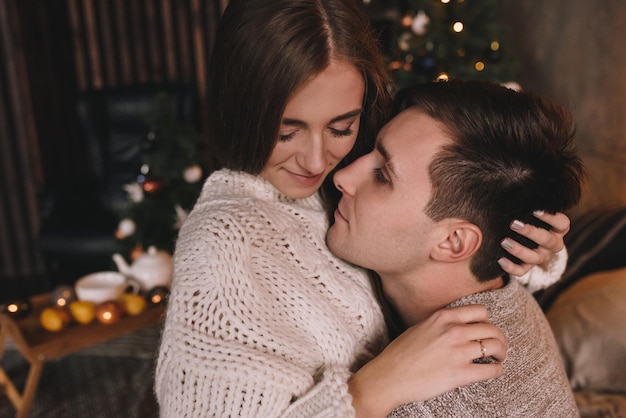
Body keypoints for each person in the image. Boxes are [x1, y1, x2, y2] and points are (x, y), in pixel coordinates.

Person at [154, 1, 570, 416]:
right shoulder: (225, 245)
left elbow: (446, 230)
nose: (320, 164)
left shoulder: (363, 156)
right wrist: (371, 390)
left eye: (341, 127)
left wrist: (521, 240)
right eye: (286, 132)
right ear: (243, 109)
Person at [327, 79, 584, 417]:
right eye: (370, 151)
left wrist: (364, 394)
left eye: (383, 176)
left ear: (453, 242)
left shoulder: (429, 401)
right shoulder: (505, 295)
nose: (342, 177)